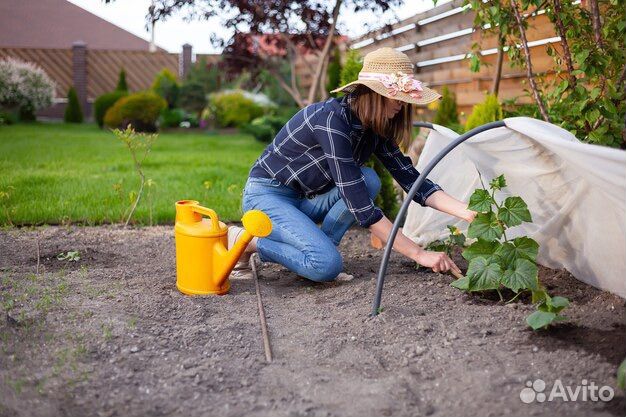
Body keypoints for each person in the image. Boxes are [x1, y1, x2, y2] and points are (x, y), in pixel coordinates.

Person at [228, 47, 475, 282]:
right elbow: (360, 207)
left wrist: (468, 212)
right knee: (326, 265)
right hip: (267, 196)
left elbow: (413, 181)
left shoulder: (375, 128)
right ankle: (248, 241)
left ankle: (317, 251)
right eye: (396, 97)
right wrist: (419, 254)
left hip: (305, 198)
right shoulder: (330, 120)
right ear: (375, 93)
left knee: (369, 180)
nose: (402, 104)